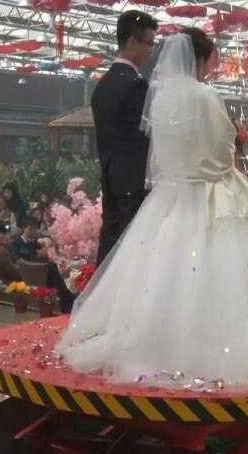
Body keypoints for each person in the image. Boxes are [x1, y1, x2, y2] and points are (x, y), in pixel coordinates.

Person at [56, 30, 248, 392]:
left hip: (170, 198)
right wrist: (233, 144)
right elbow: (219, 152)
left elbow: (160, 154)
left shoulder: (160, 100)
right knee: (230, 272)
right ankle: (222, 354)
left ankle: (157, 347)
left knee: (162, 273)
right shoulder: (205, 95)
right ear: (200, 58)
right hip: (211, 192)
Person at [92, 10, 158, 266]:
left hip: (111, 181)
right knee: (131, 261)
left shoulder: (103, 85)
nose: (151, 50)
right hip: (134, 185)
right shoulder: (135, 86)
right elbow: (145, 139)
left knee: (109, 251)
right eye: (149, 43)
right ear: (132, 41)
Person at [9, 216, 75, 313]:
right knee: (52, 269)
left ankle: (65, 299)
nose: (33, 231)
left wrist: (42, 254)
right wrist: (35, 257)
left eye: (35, 229)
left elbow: (41, 255)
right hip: (27, 272)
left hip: (38, 270)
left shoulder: (34, 243)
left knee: (53, 271)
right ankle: (66, 297)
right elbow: (17, 259)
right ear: (24, 228)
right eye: (30, 228)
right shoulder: (17, 242)